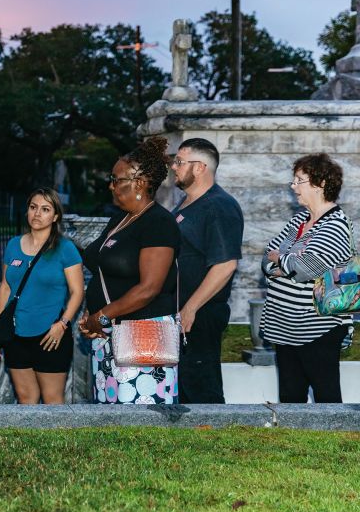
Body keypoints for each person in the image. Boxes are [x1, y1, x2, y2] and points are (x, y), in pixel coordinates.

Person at [79, 137, 181, 405]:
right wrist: (93, 316)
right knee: (111, 415)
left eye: (117, 179)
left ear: (142, 183)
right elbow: (104, 271)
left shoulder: (159, 223)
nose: (111, 186)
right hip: (108, 334)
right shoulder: (119, 219)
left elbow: (148, 289)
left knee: (141, 419)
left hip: (143, 335)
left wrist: (101, 315)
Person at [261, 153, 352, 403]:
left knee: (326, 398)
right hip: (285, 328)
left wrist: (282, 259)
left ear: (320, 184)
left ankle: (335, 442)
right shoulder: (300, 220)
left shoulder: (335, 225)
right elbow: (265, 260)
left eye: (299, 180)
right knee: (290, 400)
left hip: (318, 328)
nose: (293, 187)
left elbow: (307, 267)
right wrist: (283, 261)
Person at [169, 138, 243, 404]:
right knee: (184, 390)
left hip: (199, 315)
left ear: (199, 167)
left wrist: (191, 308)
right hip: (180, 315)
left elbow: (225, 264)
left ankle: (211, 439)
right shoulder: (186, 204)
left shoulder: (218, 206)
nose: (174, 167)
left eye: (179, 161)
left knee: (202, 391)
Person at [0, 188, 84, 405]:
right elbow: (6, 287)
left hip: (50, 334)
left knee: (52, 400)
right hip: (15, 334)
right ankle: (29, 440)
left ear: (55, 217)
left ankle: (61, 440)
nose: (37, 213)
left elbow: (77, 291)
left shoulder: (65, 248)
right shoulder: (13, 245)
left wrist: (62, 324)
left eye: (45, 209)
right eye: (33, 207)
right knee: (26, 399)